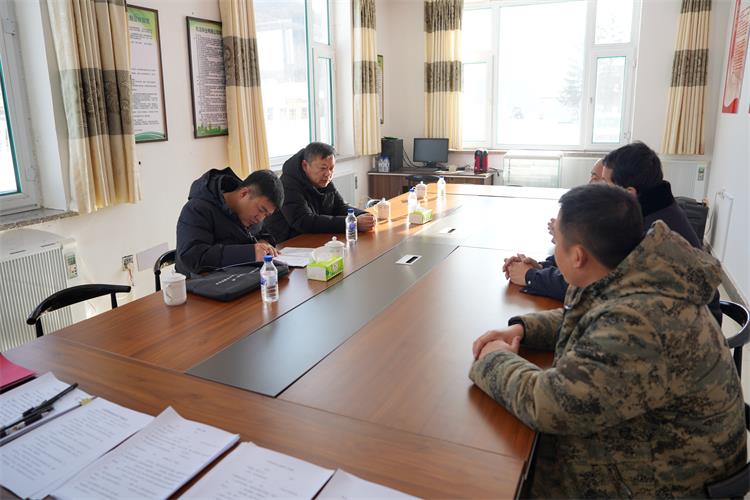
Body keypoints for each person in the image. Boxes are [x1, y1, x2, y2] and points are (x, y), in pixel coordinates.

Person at [471, 184, 745, 497]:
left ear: (578, 256)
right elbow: (590, 312)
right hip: (668, 448)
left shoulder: (637, 324)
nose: (553, 251)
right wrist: (524, 328)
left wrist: (494, 357)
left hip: (669, 483)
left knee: (495, 473)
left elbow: (548, 405)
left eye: (557, 242)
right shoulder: (637, 271)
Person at [504, 142, 722, 325]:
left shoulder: (650, 234)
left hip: (680, 333)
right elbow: (594, 256)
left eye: (604, 183)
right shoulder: (650, 209)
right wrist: (543, 267)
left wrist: (531, 277)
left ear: (628, 193)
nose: (598, 189)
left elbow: (592, 282)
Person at [175, 168, 284, 276]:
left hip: (239, 277)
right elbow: (193, 256)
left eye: (266, 215)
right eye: (261, 210)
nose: (260, 218)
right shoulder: (197, 209)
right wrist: (249, 253)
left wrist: (264, 243)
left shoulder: (251, 214)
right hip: (198, 282)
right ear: (244, 193)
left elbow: (262, 234)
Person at [263, 142, 376, 243]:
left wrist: (363, 215)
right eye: (323, 168)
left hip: (314, 237)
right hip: (288, 244)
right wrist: (352, 223)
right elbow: (304, 221)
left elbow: (339, 207)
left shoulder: (323, 180)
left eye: (331, 168)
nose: (328, 174)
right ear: (305, 165)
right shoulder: (287, 185)